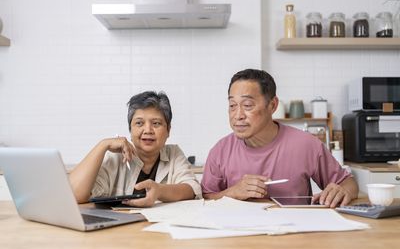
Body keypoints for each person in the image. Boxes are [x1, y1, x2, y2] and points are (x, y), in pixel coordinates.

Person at [201, 69, 358, 208]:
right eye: (232, 105)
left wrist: (342, 191)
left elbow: (348, 183)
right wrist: (233, 193)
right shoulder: (220, 151)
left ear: (273, 105)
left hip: (295, 234)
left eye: (247, 105)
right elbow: (206, 198)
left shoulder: (306, 145)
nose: (238, 115)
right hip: (237, 236)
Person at [70, 91, 201, 207]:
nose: (148, 130)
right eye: (139, 123)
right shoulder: (115, 157)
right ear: (130, 130)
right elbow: (74, 195)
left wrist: (159, 191)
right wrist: (103, 145)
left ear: (168, 130)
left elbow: (192, 189)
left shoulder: (173, 153)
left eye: (156, 123)